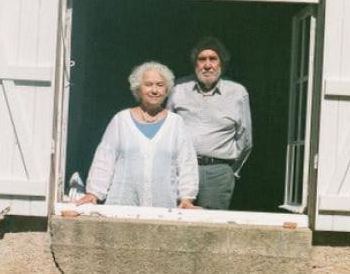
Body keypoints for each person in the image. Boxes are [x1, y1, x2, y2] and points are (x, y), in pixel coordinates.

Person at [75, 61, 199, 209]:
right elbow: (104, 159)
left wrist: (187, 197)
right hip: (123, 204)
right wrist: (94, 193)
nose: (154, 90)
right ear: (138, 89)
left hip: (163, 206)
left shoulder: (176, 123)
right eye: (148, 84)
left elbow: (186, 162)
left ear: (166, 90)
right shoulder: (121, 120)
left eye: (160, 85)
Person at [167, 37, 252, 210]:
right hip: (181, 170)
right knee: (177, 221)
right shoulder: (178, 89)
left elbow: (245, 140)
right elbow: (167, 130)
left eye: (213, 59)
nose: (207, 65)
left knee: (211, 228)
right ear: (195, 64)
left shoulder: (237, 92)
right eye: (202, 59)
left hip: (218, 173)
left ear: (222, 63)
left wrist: (230, 171)